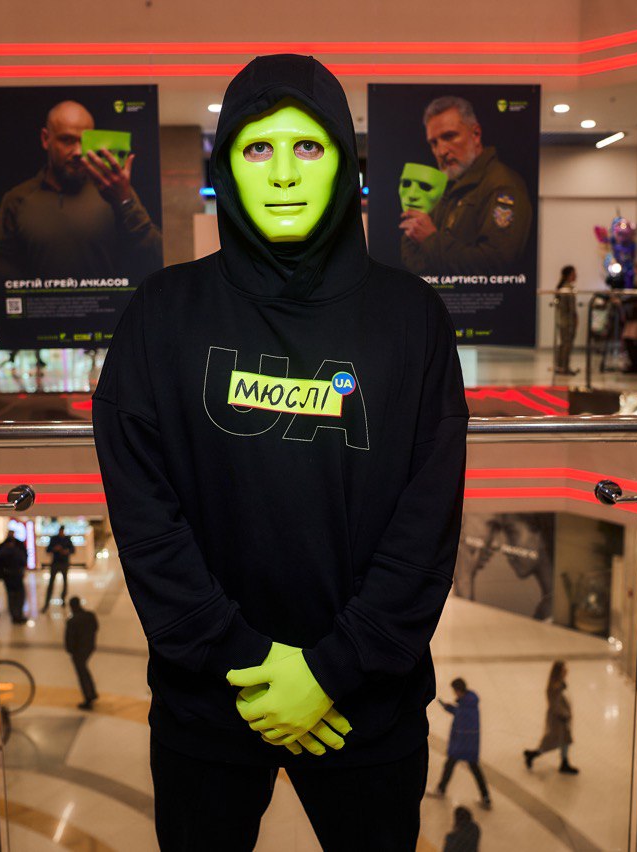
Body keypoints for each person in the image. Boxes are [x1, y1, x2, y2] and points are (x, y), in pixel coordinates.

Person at [92, 54, 467, 852]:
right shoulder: (162, 315)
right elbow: (146, 521)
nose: (285, 174)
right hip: (208, 705)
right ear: (226, 165)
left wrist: (331, 671)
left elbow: (427, 524)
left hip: (365, 707)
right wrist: (241, 660)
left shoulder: (411, 319)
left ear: (343, 163)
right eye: (259, 148)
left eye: (308, 147)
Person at [0, 100, 162, 287]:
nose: (78, 151)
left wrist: (125, 201)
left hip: (107, 305)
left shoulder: (113, 191)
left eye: (85, 141)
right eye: (67, 140)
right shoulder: (18, 199)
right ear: (45, 139)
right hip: (41, 304)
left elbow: (155, 257)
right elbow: (2, 268)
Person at [399, 96, 531, 276]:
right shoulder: (449, 185)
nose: (441, 151)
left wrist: (430, 239)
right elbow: (418, 263)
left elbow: (495, 264)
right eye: (434, 143)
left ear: (475, 134)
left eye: (449, 136)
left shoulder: (502, 185)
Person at [430, 678, 491, 809]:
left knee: (451, 765)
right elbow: (459, 712)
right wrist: (448, 707)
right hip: (470, 745)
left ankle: (441, 789)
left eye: (454, 690)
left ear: (458, 690)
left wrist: (454, 746)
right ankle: (485, 797)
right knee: (471, 769)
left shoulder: (466, 706)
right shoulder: (469, 703)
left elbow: (460, 721)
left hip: (463, 745)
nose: (454, 693)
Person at [523, 660, 578, 774]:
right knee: (552, 741)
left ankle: (564, 762)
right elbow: (555, 704)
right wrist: (564, 714)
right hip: (558, 720)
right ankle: (533, 755)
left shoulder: (560, 684)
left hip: (562, 718)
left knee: (565, 741)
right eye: (564, 669)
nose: (566, 671)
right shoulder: (555, 687)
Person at [65, 596, 100, 710]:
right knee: (84, 670)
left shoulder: (72, 621)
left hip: (78, 652)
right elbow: (96, 627)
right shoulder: (90, 615)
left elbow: (69, 639)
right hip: (89, 647)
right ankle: (92, 693)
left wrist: (71, 650)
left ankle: (88, 697)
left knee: (82, 674)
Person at [0, 530, 28, 625]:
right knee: (19, 596)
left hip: (8, 576)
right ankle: (18, 615)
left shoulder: (2, 550)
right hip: (16, 576)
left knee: (11, 596)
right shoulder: (17, 551)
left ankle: (14, 615)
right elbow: (23, 560)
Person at [42, 524, 75, 613]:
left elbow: (73, 550)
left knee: (65, 582)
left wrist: (67, 551)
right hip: (55, 563)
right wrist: (55, 549)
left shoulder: (67, 539)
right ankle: (47, 603)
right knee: (51, 583)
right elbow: (48, 550)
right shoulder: (54, 539)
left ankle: (63, 599)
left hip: (64, 563)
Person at [553, 265, 578, 375]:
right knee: (567, 345)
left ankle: (560, 366)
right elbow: (571, 308)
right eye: (574, 273)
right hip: (568, 321)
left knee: (564, 344)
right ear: (569, 275)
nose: (576, 275)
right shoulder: (568, 289)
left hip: (562, 320)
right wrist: (575, 319)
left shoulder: (561, 288)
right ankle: (564, 367)